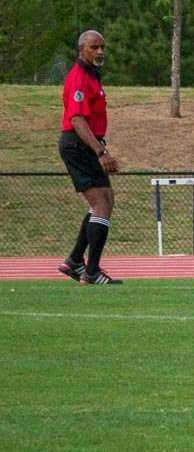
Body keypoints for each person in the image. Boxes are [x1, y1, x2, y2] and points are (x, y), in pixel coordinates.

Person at [58, 30, 122, 285]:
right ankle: (91, 272)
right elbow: (76, 119)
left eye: (102, 47)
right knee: (101, 205)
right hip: (78, 145)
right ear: (81, 48)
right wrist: (101, 152)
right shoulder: (78, 77)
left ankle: (75, 261)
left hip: (87, 144)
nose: (100, 52)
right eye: (94, 47)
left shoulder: (91, 76)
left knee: (106, 199)